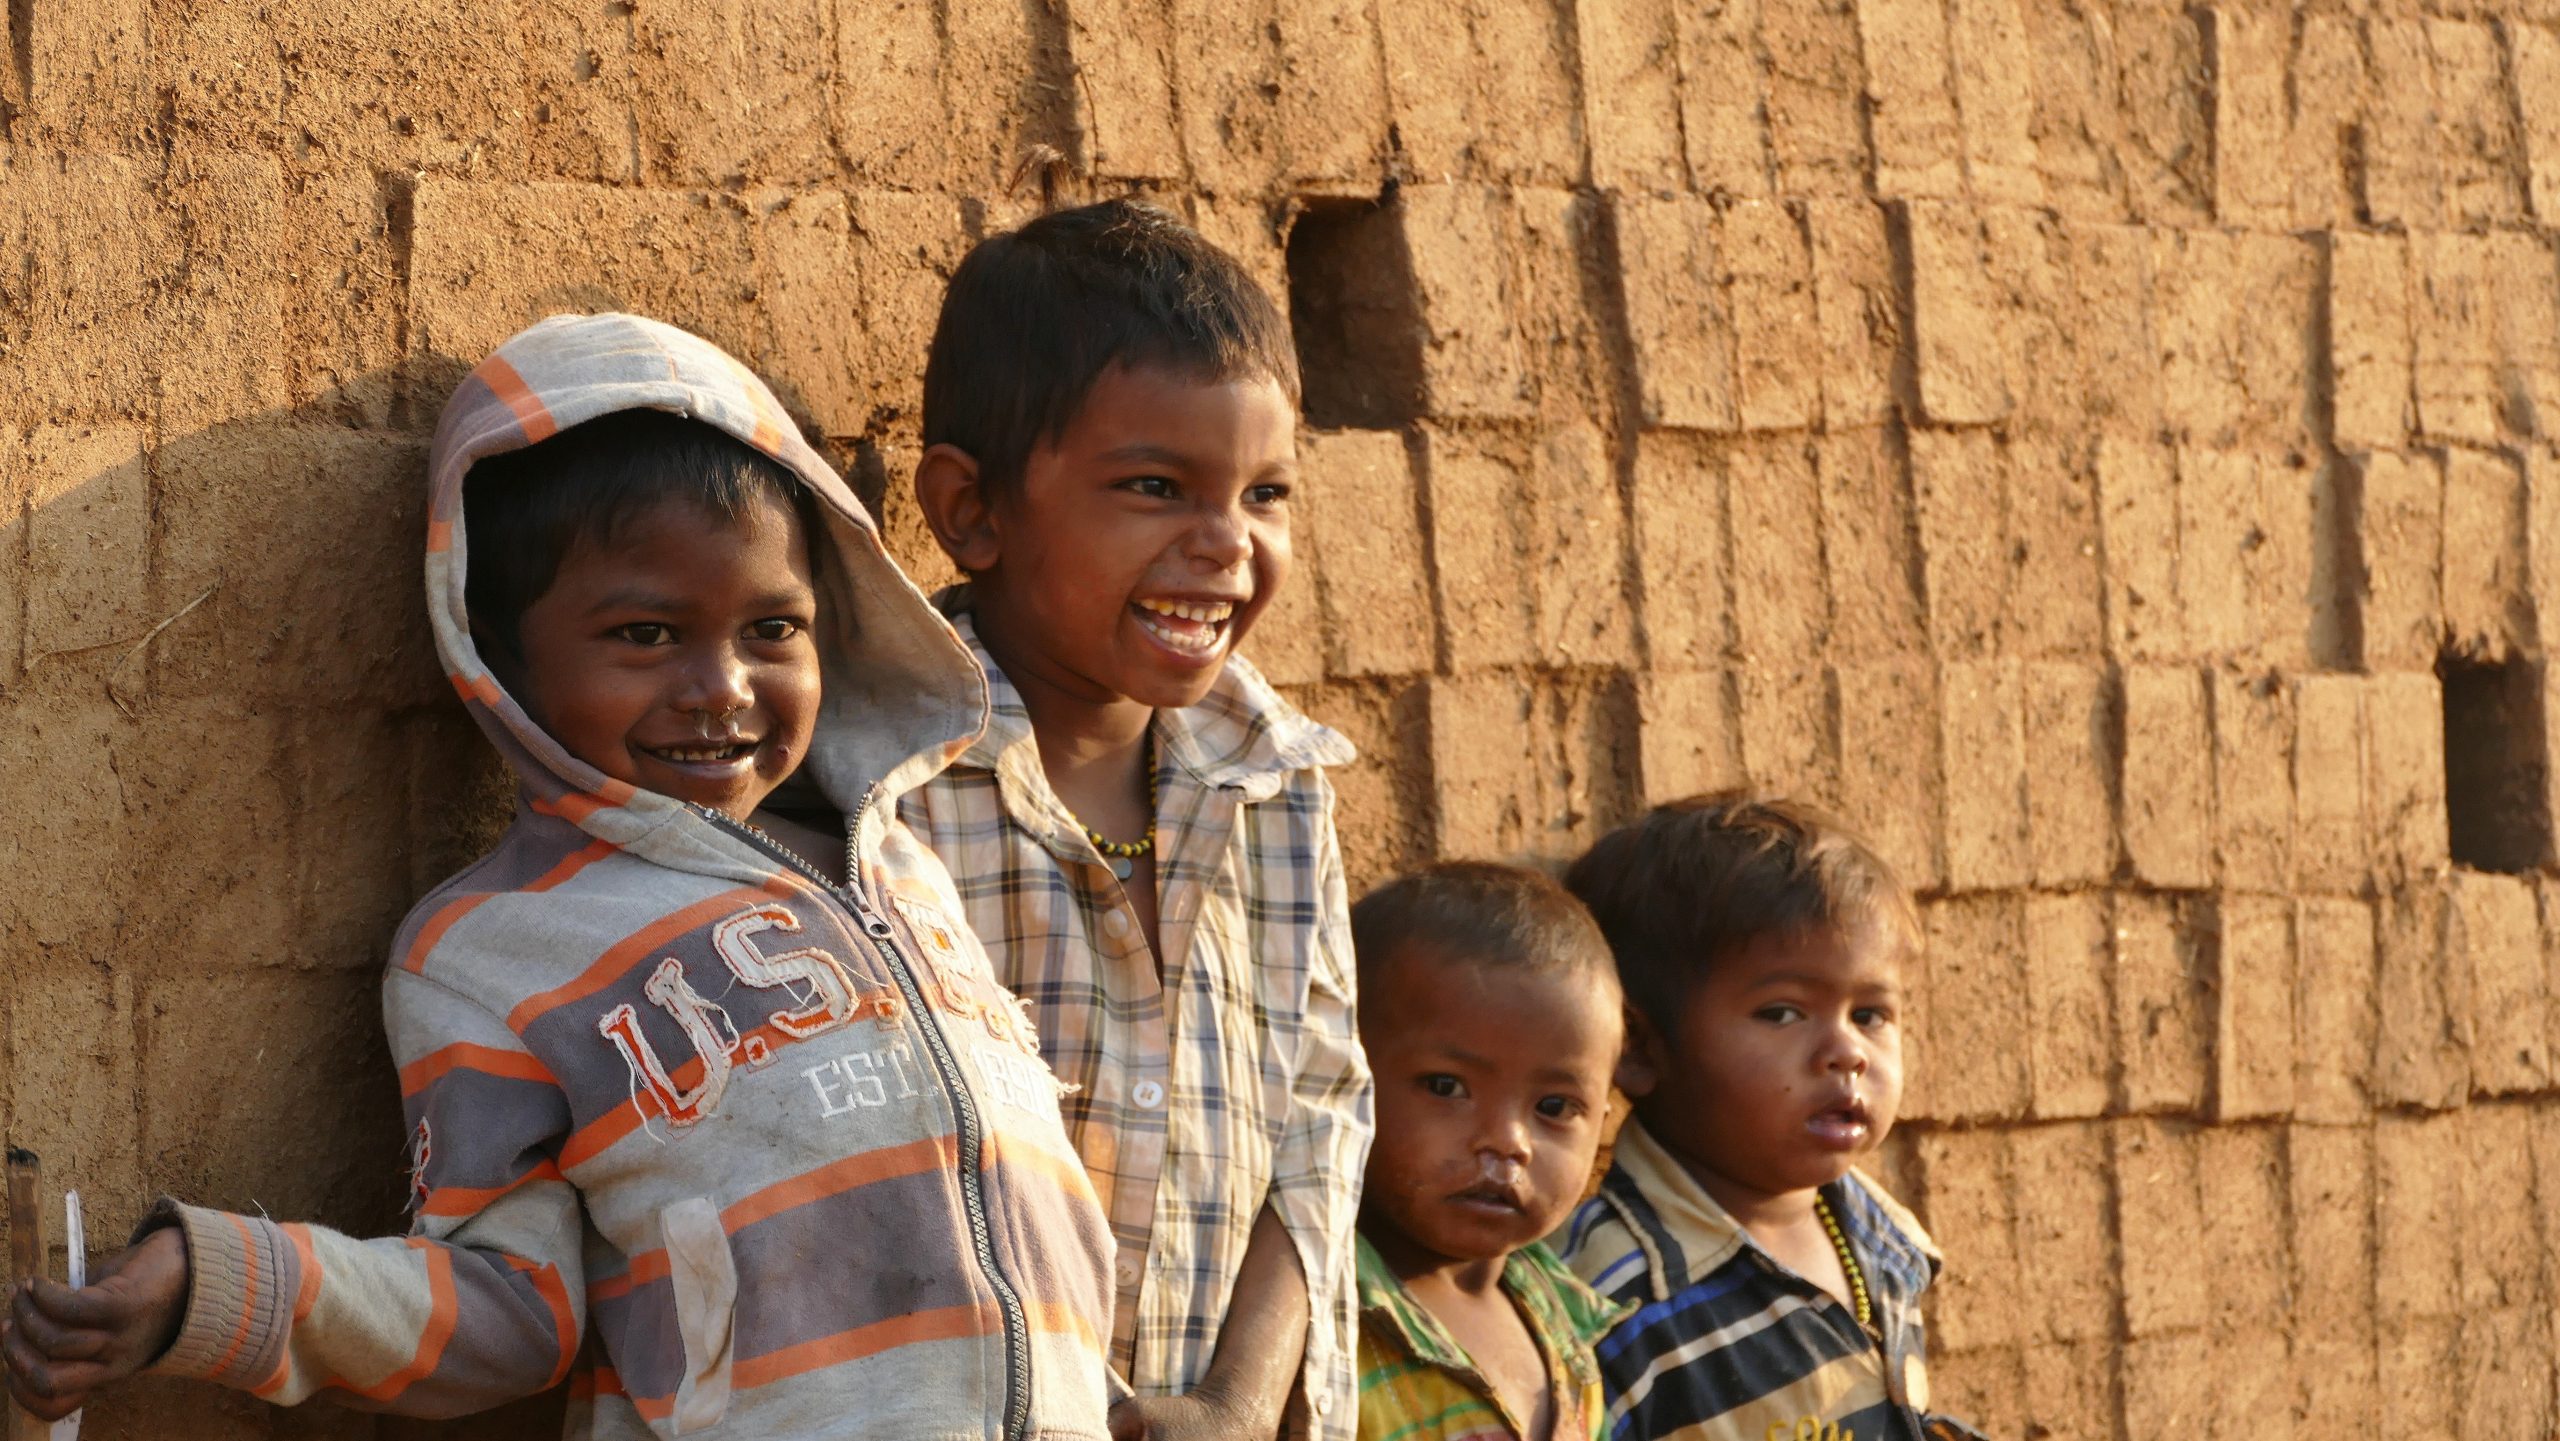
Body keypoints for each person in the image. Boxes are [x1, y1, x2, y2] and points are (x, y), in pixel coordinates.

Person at [1, 313, 1117, 1439]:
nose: (721, 685)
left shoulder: (907, 869)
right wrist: (214, 1287)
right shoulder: (492, 948)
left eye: (774, 627)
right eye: (645, 632)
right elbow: (507, 1308)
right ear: (501, 657)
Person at [891, 197, 1371, 1438]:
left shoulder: (1273, 783)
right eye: (1156, 487)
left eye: (1266, 495)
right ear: (971, 510)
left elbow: (1317, 1124)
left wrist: (1233, 1401)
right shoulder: (882, 785)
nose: (1226, 544)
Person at [1551, 793, 1980, 1441]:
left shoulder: (1877, 1231)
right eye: (1782, 1012)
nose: (1846, 1053)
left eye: (1869, 1014)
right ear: (1638, 1045)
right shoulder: (1605, 1301)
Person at [1347, 864, 1626, 1441]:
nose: (1507, 1141)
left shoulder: (1571, 1327)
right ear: (1344, 1075)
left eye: (1554, 1106)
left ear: (1603, 1120)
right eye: (1446, 1087)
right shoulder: (1325, 1313)